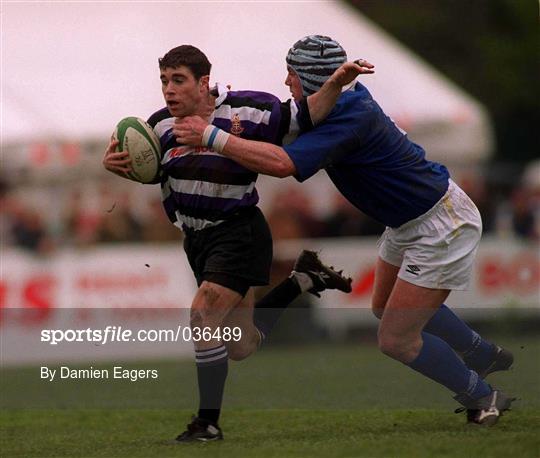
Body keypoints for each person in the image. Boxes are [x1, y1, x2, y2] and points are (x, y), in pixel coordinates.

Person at [175, 35, 515, 426]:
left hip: (440, 224)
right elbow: (273, 127)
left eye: (292, 74)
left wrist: (211, 136)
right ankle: (480, 352)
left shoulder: (348, 115)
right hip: (410, 221)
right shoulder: (337, 104)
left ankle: (482, 396)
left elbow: (283, 164)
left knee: (396, 339)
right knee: (383, 307)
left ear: (313, 78)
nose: (287, 83)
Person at [102, 45, 370, 441]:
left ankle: (206, 423)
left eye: (178, 80)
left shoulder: (250, 111)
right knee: (240, 345)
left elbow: (306, 114)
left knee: (202, 315)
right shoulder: (158, 128)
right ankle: (302, 280)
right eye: (164, 81)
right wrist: (118, 167)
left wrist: (335, 82)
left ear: (204, 82)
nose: (169, 90)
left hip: (238, 230)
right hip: (196, 241)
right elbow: (149, 172)